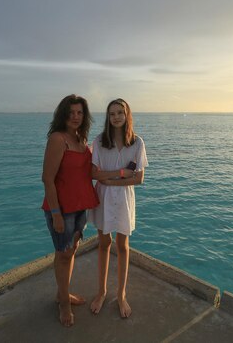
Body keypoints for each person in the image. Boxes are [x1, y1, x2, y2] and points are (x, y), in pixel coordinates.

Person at [41, 94, 99, 327]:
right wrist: (55, 213)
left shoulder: (81, 138)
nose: (75, 116)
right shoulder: (58, 139)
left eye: (80, 112)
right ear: (63, 114)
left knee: (71, 252)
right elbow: (47, 179)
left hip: (80, 207)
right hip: (61, 209)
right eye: (71, 112)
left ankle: (61, 293)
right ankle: (63, 303)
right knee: (62, 254)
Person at [88, 98, 148, 318]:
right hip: (103, 197)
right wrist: (123, 173)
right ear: (108, 117)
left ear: (127, 115)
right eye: (112, 113)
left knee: (123, 245)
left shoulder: (137, 142)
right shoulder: (99, 141)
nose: (116, 117)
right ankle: (102, 292)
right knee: (104, 243)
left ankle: (121, 295)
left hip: (123, 197)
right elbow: (94, 174)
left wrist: (112, 181)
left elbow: (139, 178)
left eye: (120, 113)